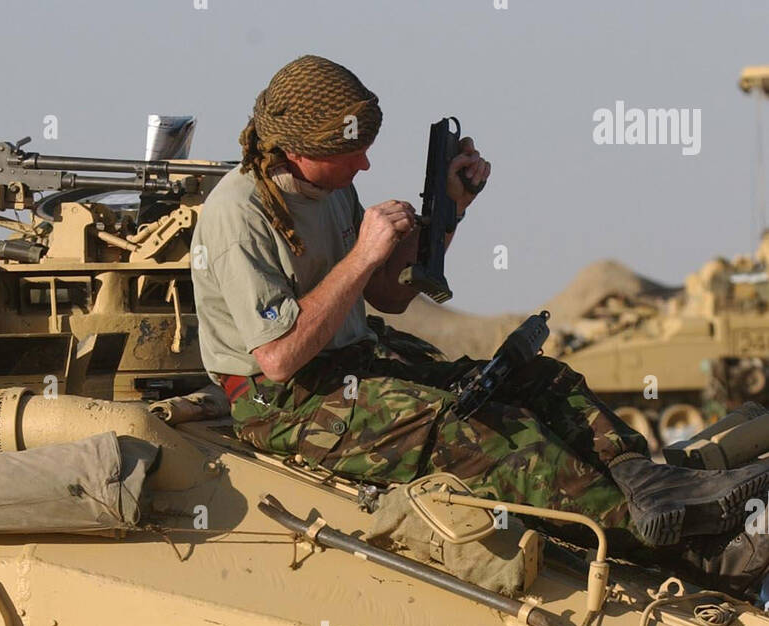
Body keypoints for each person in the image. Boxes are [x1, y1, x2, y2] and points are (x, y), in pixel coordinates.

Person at [191, 54, 769, 567]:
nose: (364, 166)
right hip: (285, 404)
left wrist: (450, 211)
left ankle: (652, 486)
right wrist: (365, 250)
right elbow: (278, 356)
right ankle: (690, 547)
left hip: (354, 362)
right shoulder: (238, 213)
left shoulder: (331, 188)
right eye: (350, 153)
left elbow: (387, 296)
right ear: (299, 150)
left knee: (543, 381)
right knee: (484, 434)